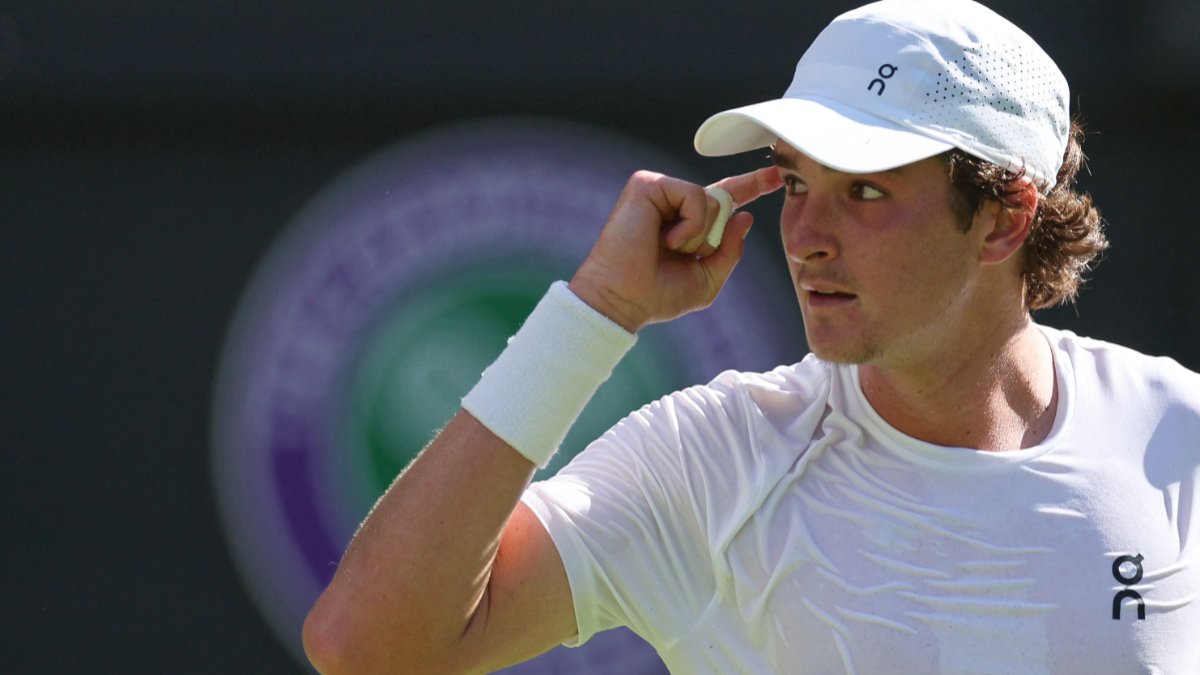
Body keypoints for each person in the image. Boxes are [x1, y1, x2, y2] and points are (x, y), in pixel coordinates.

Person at [302, 0, 1200, 672]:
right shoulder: (714, 458)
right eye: (799, 183)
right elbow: (366, 645)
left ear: (1005, 219)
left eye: (868, 192)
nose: (807, 234)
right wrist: (593, 313)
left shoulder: (1178, 432)